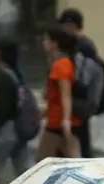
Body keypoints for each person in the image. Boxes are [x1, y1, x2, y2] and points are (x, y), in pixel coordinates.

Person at [35, 25, 81, 161]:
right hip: (58, 121)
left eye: (46, 40)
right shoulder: (60, 63)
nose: (43, 43)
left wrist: (66, 121)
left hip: (57, 123)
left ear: (54, 44)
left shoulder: (61, 65)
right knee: (72, 161)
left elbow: (65, 95)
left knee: (42, 162)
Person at [58, 8, 98, 158]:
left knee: (79, 144)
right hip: (84, 100)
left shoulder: (80, 45)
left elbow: (79, 76)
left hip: (79, 99)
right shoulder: (86, 44)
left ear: (72, 25)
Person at [0, 38, 34, 175]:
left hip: (7, 130)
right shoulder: (18, 75)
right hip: (19, 128)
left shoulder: (4, 77)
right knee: (24, 168)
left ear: (1, 53)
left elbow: (3, 108)